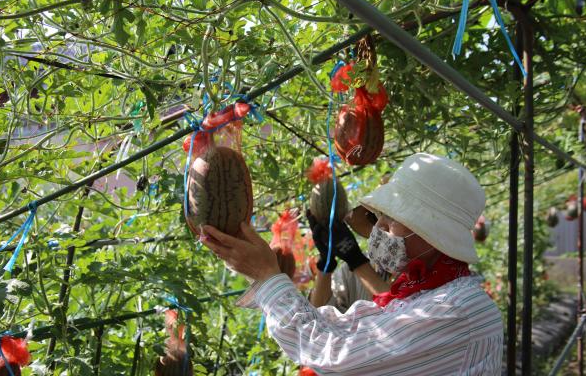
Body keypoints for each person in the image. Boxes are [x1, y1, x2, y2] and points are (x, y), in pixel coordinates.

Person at [201, 153, 503, 375]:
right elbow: (342, 326)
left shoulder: (459, 309)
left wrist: (269, 277)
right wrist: (274, 277)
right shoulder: (422, 295)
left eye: (391, 218)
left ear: (431, 232)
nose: (378, 226)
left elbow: (335, 354)